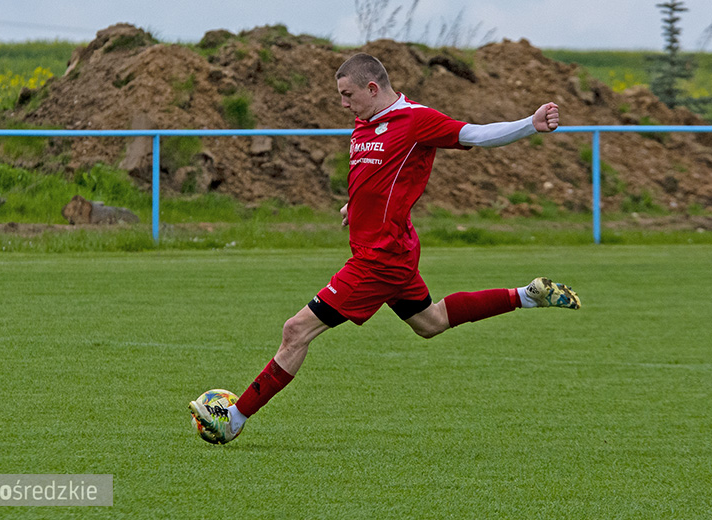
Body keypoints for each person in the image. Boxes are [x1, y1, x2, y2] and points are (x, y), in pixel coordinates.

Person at [190, 53, 581, 444]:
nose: (343, 104)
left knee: (295, 331)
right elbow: (376, 178)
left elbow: (475, 134)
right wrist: (353, 206)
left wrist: (529, 125)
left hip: (380, 258)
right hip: (392, 248)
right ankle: (526, 296)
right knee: (431, 323)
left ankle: (235, 417)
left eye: (348, 95)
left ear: (373, 88)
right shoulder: (365, 122)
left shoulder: (416, 120)